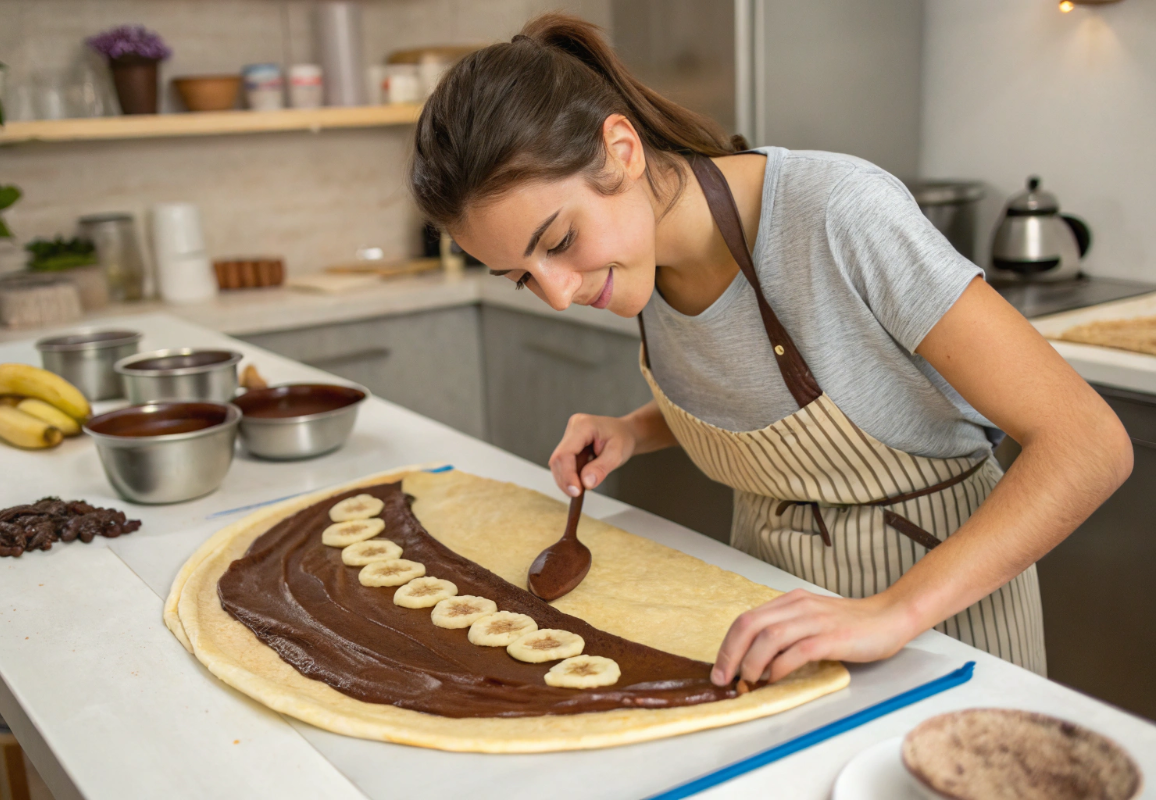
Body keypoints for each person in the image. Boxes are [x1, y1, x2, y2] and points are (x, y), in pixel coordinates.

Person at [407, 13, 1132, 686]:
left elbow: (1088, 442)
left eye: (560, 243)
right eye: (522, 279)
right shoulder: (637, 262)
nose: (559, 292)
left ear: (620, 151)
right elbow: (759, 382)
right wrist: (635, 429)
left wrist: (894, 612)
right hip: (776, 612)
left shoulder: (836, 212)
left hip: (939, 615)